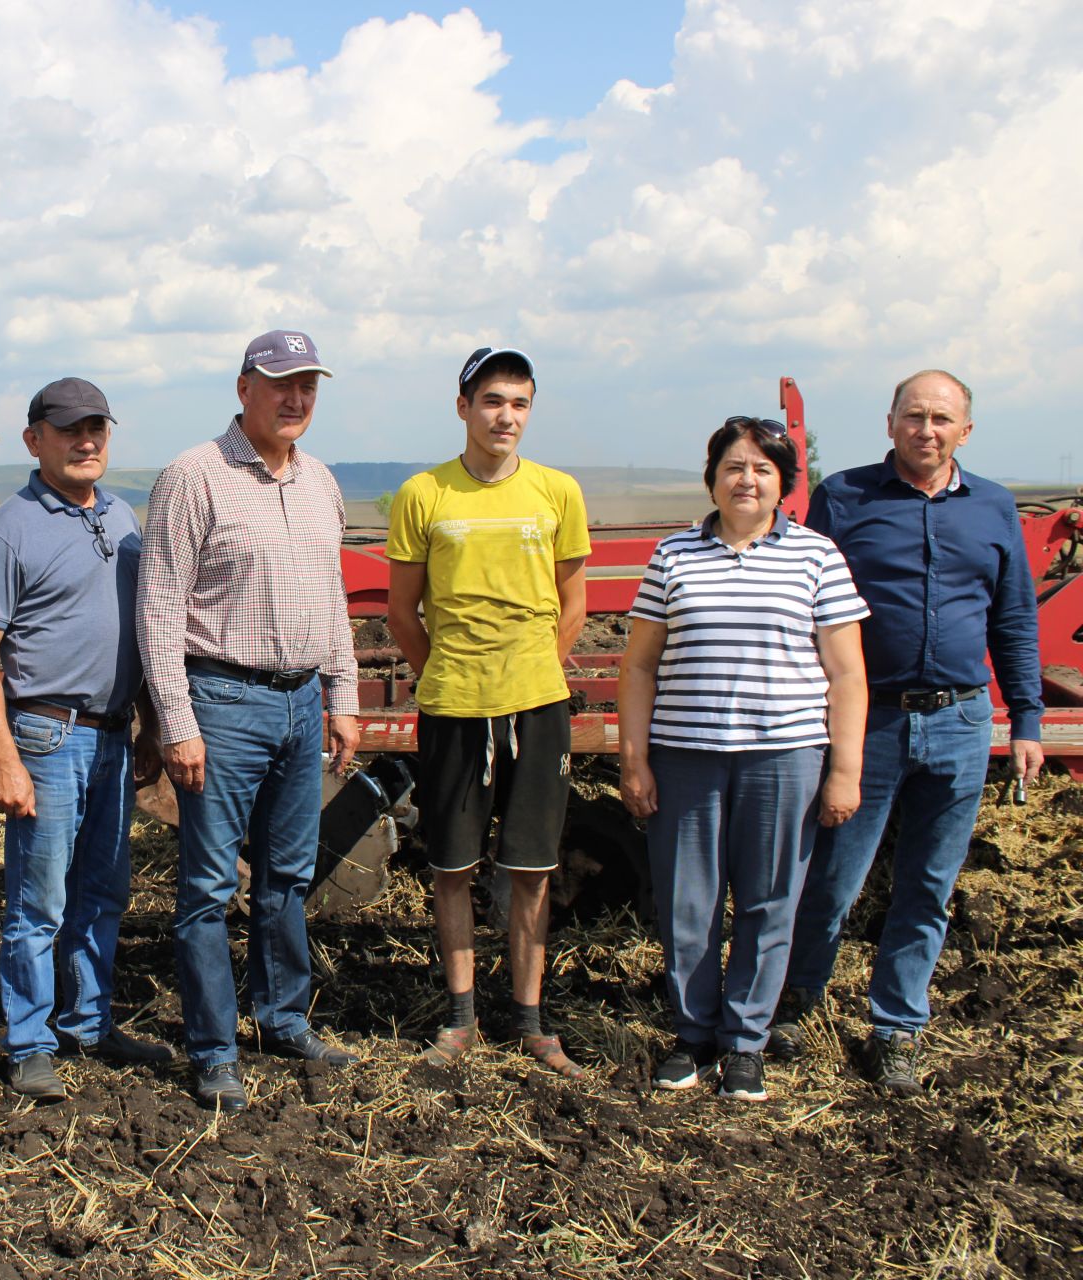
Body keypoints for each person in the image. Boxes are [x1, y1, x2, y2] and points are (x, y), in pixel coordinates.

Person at [774, 370, 1044, 1096]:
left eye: (942, 419)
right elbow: (806, 604)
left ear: (966, 430)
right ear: (889, 422)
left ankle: (896, 1028)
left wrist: (1025, 719)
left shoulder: (992, 507)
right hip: (872, 718)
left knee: (927, 886)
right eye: (915, 416)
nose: (928, 430)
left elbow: (1014, 619)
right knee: (834, 877)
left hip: (961, 719)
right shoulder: (846, 498)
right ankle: (798, 1003)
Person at [138, 329, 362, 1114]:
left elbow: (332, 601)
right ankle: (213, 1049)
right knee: (205, 885)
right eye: (280, 384)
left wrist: (343, 697)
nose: (295, 398)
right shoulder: (194, 477)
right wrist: (177, 720)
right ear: (244, 389)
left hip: (303, 703)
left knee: (288, 879)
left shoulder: (320, 482)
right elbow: (159, 609)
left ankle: (282, 1019)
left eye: (307, 385)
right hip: (224, 703)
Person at [618, 417, 869, 1102]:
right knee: (688, 903)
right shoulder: (674, 557)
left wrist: (843, 768)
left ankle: (745, 1044)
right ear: (712, 478)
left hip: (784, 759)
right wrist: (634, 758)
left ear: (784, 483)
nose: (746, 479)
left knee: (767, 902)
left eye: (762, 468)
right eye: (733, 466)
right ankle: (693, 1036)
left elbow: (847, 675)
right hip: (687, 757)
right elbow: (639, 667)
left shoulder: (816, 557)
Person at [0, 377, 172, 1101]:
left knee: (105, 892)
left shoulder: (120, 518)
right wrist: (5, 756)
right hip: (46, 736)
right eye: (71, 430)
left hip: (112, 736)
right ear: (34, 440)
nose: (87, 442)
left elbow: (134, 632)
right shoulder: (7, 530)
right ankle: (27, 1040)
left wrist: (145, 720)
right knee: (38, 903)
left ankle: (88, 1022)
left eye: (97, 430)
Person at [383, 346, 591, 1079]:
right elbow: (402, 612)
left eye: (521, 403)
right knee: (451, 867)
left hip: (537, 705)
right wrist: (443, 672)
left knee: (532, 868)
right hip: (454, 708)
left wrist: (538, 669)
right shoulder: (423, 495)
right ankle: (462, 1016)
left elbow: (574, 602)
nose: (507, 416)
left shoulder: (557, 492)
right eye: (494, 400)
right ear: (464, 405)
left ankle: (532, 1023)